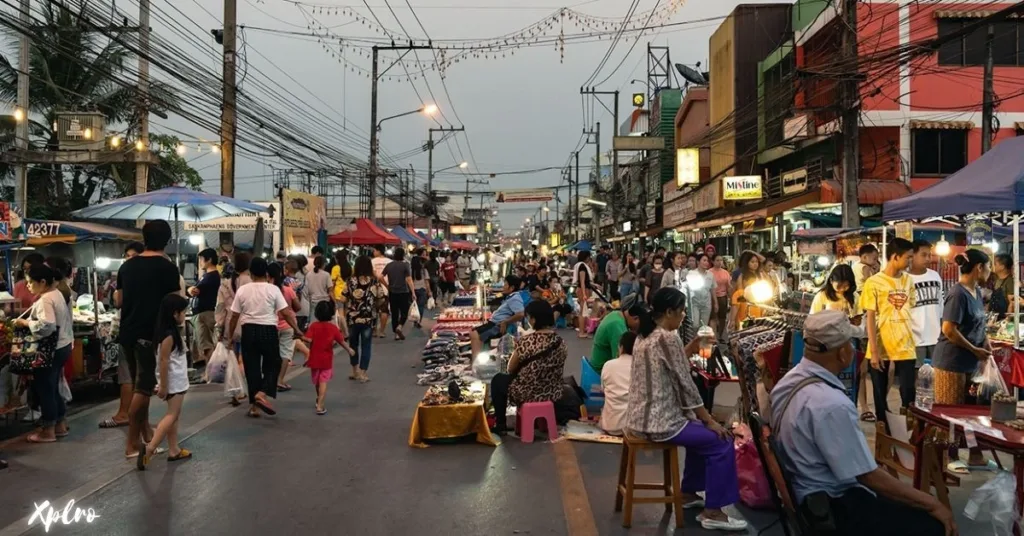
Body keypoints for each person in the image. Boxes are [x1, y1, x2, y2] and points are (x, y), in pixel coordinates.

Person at [772, 310, 953, 536]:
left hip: (805, 493)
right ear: (842, 353)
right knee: (932, 525)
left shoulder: (786, 383)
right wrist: (932, 503)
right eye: (851, 343)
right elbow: (868, 475)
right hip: (830, 505)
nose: (854, 349)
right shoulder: (831, 404)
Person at [625, 287, 747, 531]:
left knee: (699, 432)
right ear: (669, 312)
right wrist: (709, 419)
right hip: (659, 422)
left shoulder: (645, 335)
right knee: (720, 441)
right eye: (680, 312)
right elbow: (685, 383)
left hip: (639, 418)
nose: (683, 317)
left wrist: (692, 346)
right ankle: (713, 512)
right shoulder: (667, 337)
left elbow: (671, 363)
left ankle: (689, 493)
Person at [116, 220, 181, 458]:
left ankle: (145, 435)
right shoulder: (168, 268)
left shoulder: (127, 267)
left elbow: (118, 301)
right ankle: (131, 445)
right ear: (167, 240)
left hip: (127, 333)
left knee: (136, 386)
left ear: (143, 238)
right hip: (150, 335)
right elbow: (176, 303)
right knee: (143, 390)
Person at [934, 248, 993, 473]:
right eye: (988, 267)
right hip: (952, 362)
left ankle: (975, 455)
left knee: (971, 411)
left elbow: (979, 324)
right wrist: (974, 349)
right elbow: (949, 330)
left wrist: (985, 343)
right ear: (979, 268)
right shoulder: (957, 294)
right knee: (951, 413)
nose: (989, 271)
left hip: (971, 362)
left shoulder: (976, 292)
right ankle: (950, 456)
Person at [225, 257, 302, 418]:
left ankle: (254, 407)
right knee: (273, 364)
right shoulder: (273, 289)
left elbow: (234, 317)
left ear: (251, 272)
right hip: (268, 331)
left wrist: (229, 336)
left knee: (252, 368)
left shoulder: (243, 290)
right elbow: (286, 312)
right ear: (266, 272)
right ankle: (262, 393)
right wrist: (297, 329)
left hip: (248, 331)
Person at [489, 300, 568, 435]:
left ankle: (500, 424)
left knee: (497, 380)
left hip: (527, 392)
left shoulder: (526, 341)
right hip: (552, 391)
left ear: (534, 319)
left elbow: (510, 369)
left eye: (529, 317)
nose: (528, 320)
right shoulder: (561, 342)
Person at [861, 237, 917, 422]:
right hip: (881, 345)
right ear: (895, 257)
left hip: (906, 345)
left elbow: (910, 309)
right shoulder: (873, 282)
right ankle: (883, 437)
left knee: (909, 393)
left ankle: (908, 434)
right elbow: (870, 317)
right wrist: (874, 351)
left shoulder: (909, 281)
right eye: (908, 258)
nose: (910, 262)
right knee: (880, 396)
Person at [17, 264, 74, 444]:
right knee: (52, 386)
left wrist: (26, 324)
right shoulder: (56, 293)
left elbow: (47, 325)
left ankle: (48, 430)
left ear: (42, 282)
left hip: (51, 349)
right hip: (63, 345)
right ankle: (60, 425)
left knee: (45, 388)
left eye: (30, 283)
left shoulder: (45, 300)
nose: (28, 286)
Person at [137, 294, 192, 469]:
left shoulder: (166, 331)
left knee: (174, 415)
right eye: (183, 312)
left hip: (174, 380)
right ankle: (150, 448)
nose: (185, 315)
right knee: (172, 415)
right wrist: (164, 386)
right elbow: (164, 360)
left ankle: (173, 449)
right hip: (173, 381)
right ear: (175, 314)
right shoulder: (169, 335)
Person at [303, 301, 355, 415]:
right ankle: (320, 405)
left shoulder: (313, 326)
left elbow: (308, 340)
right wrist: (349, 350)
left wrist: (300, 336)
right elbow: (341, 341)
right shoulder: (332, 328)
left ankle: (318, 399)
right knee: (323, 382)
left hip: (314, 359)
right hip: (326, 359)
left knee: (317, 382)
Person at [344, 255, 385, 382]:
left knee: (353, 345)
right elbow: (381, 298)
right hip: (368, 318)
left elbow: (343, 298)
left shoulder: (350, 281)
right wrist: (373, 306)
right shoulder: (374, 281)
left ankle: (354, 371)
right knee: (366, 346)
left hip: (352, 318)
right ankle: (363, 373)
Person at [470, 275, 530, 358]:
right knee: (475, 333)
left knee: (475, 334)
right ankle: (476, 360)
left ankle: (474, 363)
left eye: (505, 284)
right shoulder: (511, 297)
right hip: (494, 323)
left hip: (497, 325)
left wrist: (505, 322)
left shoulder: (515, 298)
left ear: (511, 288)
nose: (503, 286)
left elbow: (520, 314)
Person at [908, 240, 942, 371]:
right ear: (913, 255)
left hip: (936, 337)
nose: (928, 258)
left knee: (937, 375)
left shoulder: (935, 276)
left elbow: (941, 305)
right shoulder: (905, 279)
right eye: (924, 255)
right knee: (917, 376)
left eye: (929, 255)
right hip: (915, 338)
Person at [269, 263, 303, 392]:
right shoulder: (288, 290)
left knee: (272, 353)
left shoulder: (269, 290)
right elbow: (298, 307)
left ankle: (270, 379)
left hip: (271, 325)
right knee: (285, 354)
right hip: (288, 326)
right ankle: (280, 380)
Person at [589, 294, 644, 372]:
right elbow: (621, 360)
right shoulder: (617, 326)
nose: (638, 326)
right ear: (635, 317)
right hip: (600, 372)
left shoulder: (616, 315)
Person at [599, 331, 636, 436]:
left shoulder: (608, 365)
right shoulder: (642, 367)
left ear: (621, 347)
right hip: (634, 428)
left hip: (610, 426)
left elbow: (603, 390)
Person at [189, 248, 220, 367]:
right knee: (204, 344)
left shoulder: (211, 277)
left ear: (209, 260)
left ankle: (210, 371)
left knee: (206, 345)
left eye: (201, 259)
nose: (200, 262)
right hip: (203, 313)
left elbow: (195, 290)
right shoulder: (207, 276)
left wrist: (191, 289)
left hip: (205, 314)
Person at [381, 248, 415, 340]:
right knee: (405, 311)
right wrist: (413, 292)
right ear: (403, 255)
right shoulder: (405, 265)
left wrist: (387, 285)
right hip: (404, 292)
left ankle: (396, 334)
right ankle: (399, 327)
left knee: (394, 313)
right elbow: (409, 279)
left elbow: (380, 277)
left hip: (392, 292)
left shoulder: (389, 265)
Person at [729, 250, 763, 331]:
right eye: (752, 262)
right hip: (742, 320)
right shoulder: (740, 293)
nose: (755, 264)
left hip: (757, 319)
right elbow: (735, 307)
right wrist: (732, 320)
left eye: (756, 262)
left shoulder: (760, 277)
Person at [688, 253, 717, 328]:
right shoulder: (692, 273)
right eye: (704, 260)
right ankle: (695, 339)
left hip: (706, 303)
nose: (706, 262)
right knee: (695, 325)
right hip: (695, 303)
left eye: (707, 261)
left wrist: (715, 303)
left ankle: (702, 339)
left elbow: (713, 289)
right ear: (698, 262)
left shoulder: (710, 274)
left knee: (703, 326)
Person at [573, 251, 597, 339]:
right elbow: (582, 282)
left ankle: (582, 330)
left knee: (583, 311)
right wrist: (584, 294)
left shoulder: (581, 266)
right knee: (583, 311)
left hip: (584, 289)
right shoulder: (582, 266)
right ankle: (581, 332)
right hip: (583, 290)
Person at [304, 255, 333, 322]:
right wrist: (334, 302)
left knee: (314, 322)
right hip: (324, 302)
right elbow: (330, 290)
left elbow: (306, 289)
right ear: (323, 264)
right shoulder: (326, 274)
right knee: (325, 323)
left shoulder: (308, 275)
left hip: (313, 301)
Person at [371, 246, 392, 338]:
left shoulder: (372, 261)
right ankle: (382, 331)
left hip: (373, 289)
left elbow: (371, 274)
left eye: (374, 250)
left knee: (373, 310)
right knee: (384, 310)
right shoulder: (390, 261)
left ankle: (374, 330)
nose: (373, 252)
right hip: (385, 289)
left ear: (379, 251)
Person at [710, 255, 731, 337]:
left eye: (721, 260)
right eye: (717, 260)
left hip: (723, 297)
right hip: (712, 297)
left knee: (722, 318)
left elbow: (728, 286)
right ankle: (714, 336)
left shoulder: (725, 272)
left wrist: (730, 297)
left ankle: (721, 334)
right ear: (713, 261)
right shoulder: (709, 272)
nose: (719, 262)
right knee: (713, 317)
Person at [410, 254, 433, 329]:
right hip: (422, 289)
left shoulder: (410, 271)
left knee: (414, 306)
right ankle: (418, 321)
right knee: (421, 306)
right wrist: (429, 291)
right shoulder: (424, 270)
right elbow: (427, 282)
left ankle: (415, 320)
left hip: (413, 290)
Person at [991, 253, 1015, 319]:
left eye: (995, 264)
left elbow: (1012, 303)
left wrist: (1007, 321)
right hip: (995, 318)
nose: (993, 266)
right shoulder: (997, 280)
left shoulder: (1010, 282)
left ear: (1002, 267)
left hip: (1004, 319)